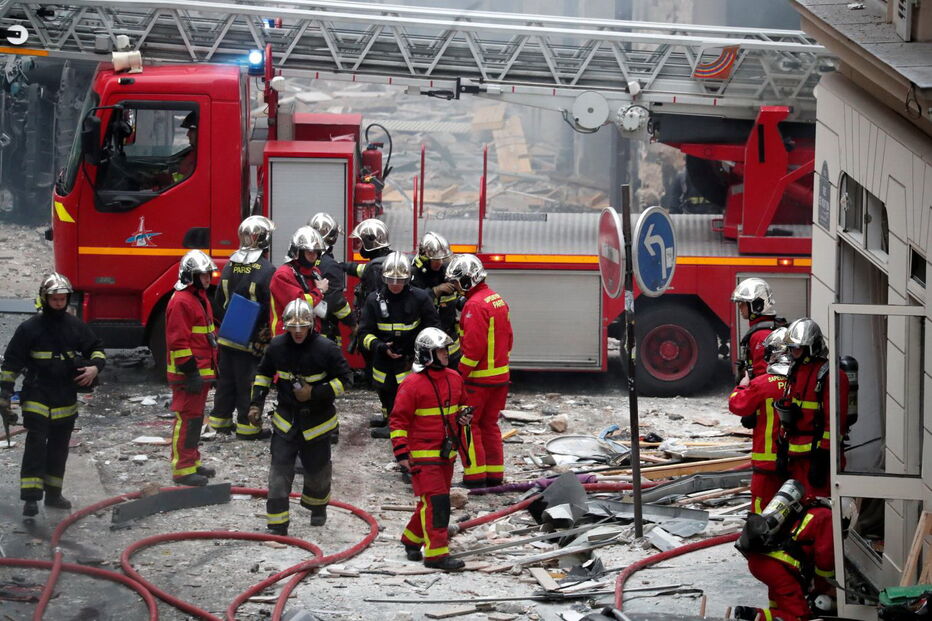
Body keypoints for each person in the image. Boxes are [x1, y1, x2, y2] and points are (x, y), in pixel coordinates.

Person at [0, 273, 106, 516]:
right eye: (54, 299)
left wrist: (94, 368)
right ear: (44, 298)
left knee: (59, 448)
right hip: (37, 392)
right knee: (36, 443)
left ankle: (54, 494)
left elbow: (97, 349)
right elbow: (11, 364)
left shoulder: (75, 326)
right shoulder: (29, 328)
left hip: (65, 396)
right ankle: (30, 498)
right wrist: (5, 393)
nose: (59, 303)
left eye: (62, 299)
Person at [249, 298, 351, 534]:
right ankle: (277, 523)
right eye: (292, 328)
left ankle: (317, 508)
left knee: (317, 470)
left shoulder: (326, 348)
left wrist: (315, 393)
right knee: (279, 469)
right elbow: (263, 374)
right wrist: (256, 404)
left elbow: (345, 380)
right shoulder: (276, 346)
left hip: (318, 422)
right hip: (286, 420)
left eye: (302, 327)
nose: (297, 332)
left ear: (311, 325)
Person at [390, 327, 472, 571]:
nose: (446, 354)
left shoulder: (454, 378)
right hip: (422, 457)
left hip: (446, 454)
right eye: (440, 351)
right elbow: (398, 421)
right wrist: (402, 453)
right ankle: (436, 555)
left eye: (446, 350)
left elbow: (462, 405)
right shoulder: (412, 384)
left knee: (430, 501)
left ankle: (411, 539)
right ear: (427, 354)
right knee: (437, 502)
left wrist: (464, 416)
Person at [446, 254, 513, 489]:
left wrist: (458, 375)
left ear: (466, 280)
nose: (455, 288)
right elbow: (509, 339)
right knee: (490, 425)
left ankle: (475, 478)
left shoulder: (474, 305)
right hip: (500, 379)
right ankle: (494, 476)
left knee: (468, 426)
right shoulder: (496, 299)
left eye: (456, 282)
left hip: (478, 381)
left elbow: (473, 349)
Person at [358, 251, 440, 438]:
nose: (395, 284)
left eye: (400, 280)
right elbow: (364, 333)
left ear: (408, 279)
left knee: (405, 392)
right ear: (383, 278)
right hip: (383, 357)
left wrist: (417, 348)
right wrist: (379, 346)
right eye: (391, 280)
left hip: (410, 357)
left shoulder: (420, 298)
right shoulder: (374, 300)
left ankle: (398, 426)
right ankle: (389, 419)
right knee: (385, 389)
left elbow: (433, 327)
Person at [210, 215, 275, 440]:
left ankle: (220, 422)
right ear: (265, 240)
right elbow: (270, 306)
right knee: (249, 381)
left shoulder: (230, 264)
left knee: (226, 381)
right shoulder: (267, 269)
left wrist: (229, 323)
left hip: (228, 335)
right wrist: (264, 334)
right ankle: (248, 428)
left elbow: (217, 302)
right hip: (252, 339)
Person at [735, 479, 839, 621]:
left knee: (779, 607)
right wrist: (823, 587)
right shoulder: (828, 517)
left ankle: (765, 615)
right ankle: (751, 615)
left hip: (759, 558)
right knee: (800, 616)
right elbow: (824, 560)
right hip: (779, 568)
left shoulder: (807, 507)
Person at [775, 318, 849, 498]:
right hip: (796, 457)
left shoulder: (831, 376)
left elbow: (835, 422)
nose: (793, 353)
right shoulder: (797, 371)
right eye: (791, 348)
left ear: (811, 347)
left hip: (818, 458)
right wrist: (782, 447)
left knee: (815, 509)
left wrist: (823, 455)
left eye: (797, 348)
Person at [165, 250, 219, 486]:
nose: (208, 279)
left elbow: (206, 337)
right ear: (190, 276)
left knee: (196, 420)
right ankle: (182, 468)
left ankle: (192, 461)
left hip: (200, 372)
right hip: (188, 375)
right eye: (203, 275)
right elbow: (178, 343)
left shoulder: (198, 297)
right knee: (187, 419)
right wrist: (191, 373)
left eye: (208, 274)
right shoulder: (181, 301)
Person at [728, 327, 790, 513]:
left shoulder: (762, 384)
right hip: (795, 460)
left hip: (766, 461)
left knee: (761, 510)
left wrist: (741, 386)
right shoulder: (801, 382)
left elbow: (736, 405)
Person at [411, 232, 461, 368]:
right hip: (427, 342)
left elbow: (456, 298)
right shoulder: (414, 275)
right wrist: (435, 291)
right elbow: (412, 303)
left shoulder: (445, 271)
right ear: (425, 258)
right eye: (436, 259)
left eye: (442, 259)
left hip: (450, 340)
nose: (440, 262)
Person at [307, 212, 356, 348]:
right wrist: (353, 323)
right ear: (333, 238)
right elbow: (337, 302)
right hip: (323, 333)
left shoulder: (300, 261)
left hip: (301, 330)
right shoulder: (330, 265)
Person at [270, 226, 329, 336]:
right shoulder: (283, 275)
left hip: (310, 335)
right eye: (309, 252)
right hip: (287, 336)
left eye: (316, 252)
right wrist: (320, 291)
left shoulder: (314, 272)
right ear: (298, 252)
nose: (313, 256)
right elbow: (299, 305)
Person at [731, 278, 783, 382]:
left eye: (742, 303)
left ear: (756, 305)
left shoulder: (760, 336)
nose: (739, 307)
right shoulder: (766, 329)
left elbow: (762, 377)